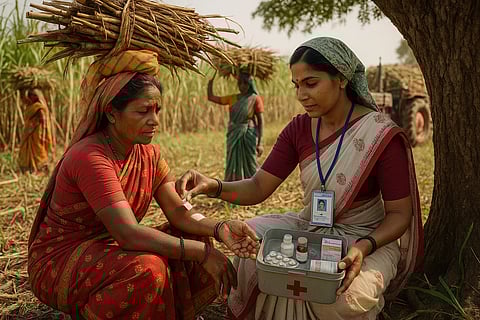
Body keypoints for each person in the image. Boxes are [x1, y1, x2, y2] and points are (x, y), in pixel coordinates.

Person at [176, 37, 424, 319]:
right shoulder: (299, 128)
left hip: (365, 237)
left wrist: (364, 247)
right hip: (311, 228)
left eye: (311, 83)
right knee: (252, 244)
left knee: (338, 298)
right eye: (296, 85)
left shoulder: (380, 135)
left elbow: (399, 214)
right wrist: (213, 186)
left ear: (341, 79)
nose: (301, 94)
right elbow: (258, 187)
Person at [27, 50, 259, 320]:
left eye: (157, 110)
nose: (155, 120)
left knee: (194, 236)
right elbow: (128, 234)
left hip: (110, 250)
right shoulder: (91, 157)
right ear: (112, 113)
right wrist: (204, 254)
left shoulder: (149, 155)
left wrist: (220, 229)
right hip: (63, 261)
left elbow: (178, 211)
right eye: (143, 111)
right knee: (148, 269)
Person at [207, 71, 264, 181]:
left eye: (245, 83)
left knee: (250, 162)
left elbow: (261, 121)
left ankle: (253, 188)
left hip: (248, 134)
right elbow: (211, 97)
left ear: (250, 84)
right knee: (232, 161)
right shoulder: (232, 98)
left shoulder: (255, 99)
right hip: (233, 133)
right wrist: (210, 82)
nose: (242, 86)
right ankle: (233, 188)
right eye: (240, 83)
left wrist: (260, 143)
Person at [18, 87, 54, 173]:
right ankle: (28, 167)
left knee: (38, 149)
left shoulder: (39, 107)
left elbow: (43, 121)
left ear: (37, 96)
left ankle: (42, 166)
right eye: (30, 95)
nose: (31, 97)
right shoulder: (30, 106)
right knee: (25, 148)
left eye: (33, 95)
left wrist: (43, 134)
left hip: (37, 132)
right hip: (28, 131)